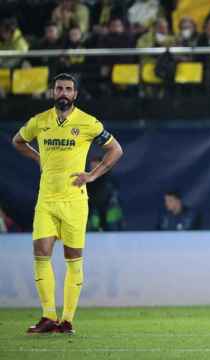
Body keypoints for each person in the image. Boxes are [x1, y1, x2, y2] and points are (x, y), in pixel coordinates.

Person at [12, 73, 124, 334]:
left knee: (73, 258)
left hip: (74, 200)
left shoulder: (87, 122)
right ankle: (48, 316)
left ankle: (67, 320)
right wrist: (37, 157)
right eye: (59, 88)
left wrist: (92, 175)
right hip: (47, 200)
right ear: (53, 92)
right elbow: (18, 141)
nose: (63, 92)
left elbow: (116, 149)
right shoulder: (40, 122)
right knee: (41, 253)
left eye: (68, 89)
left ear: (75, 94)